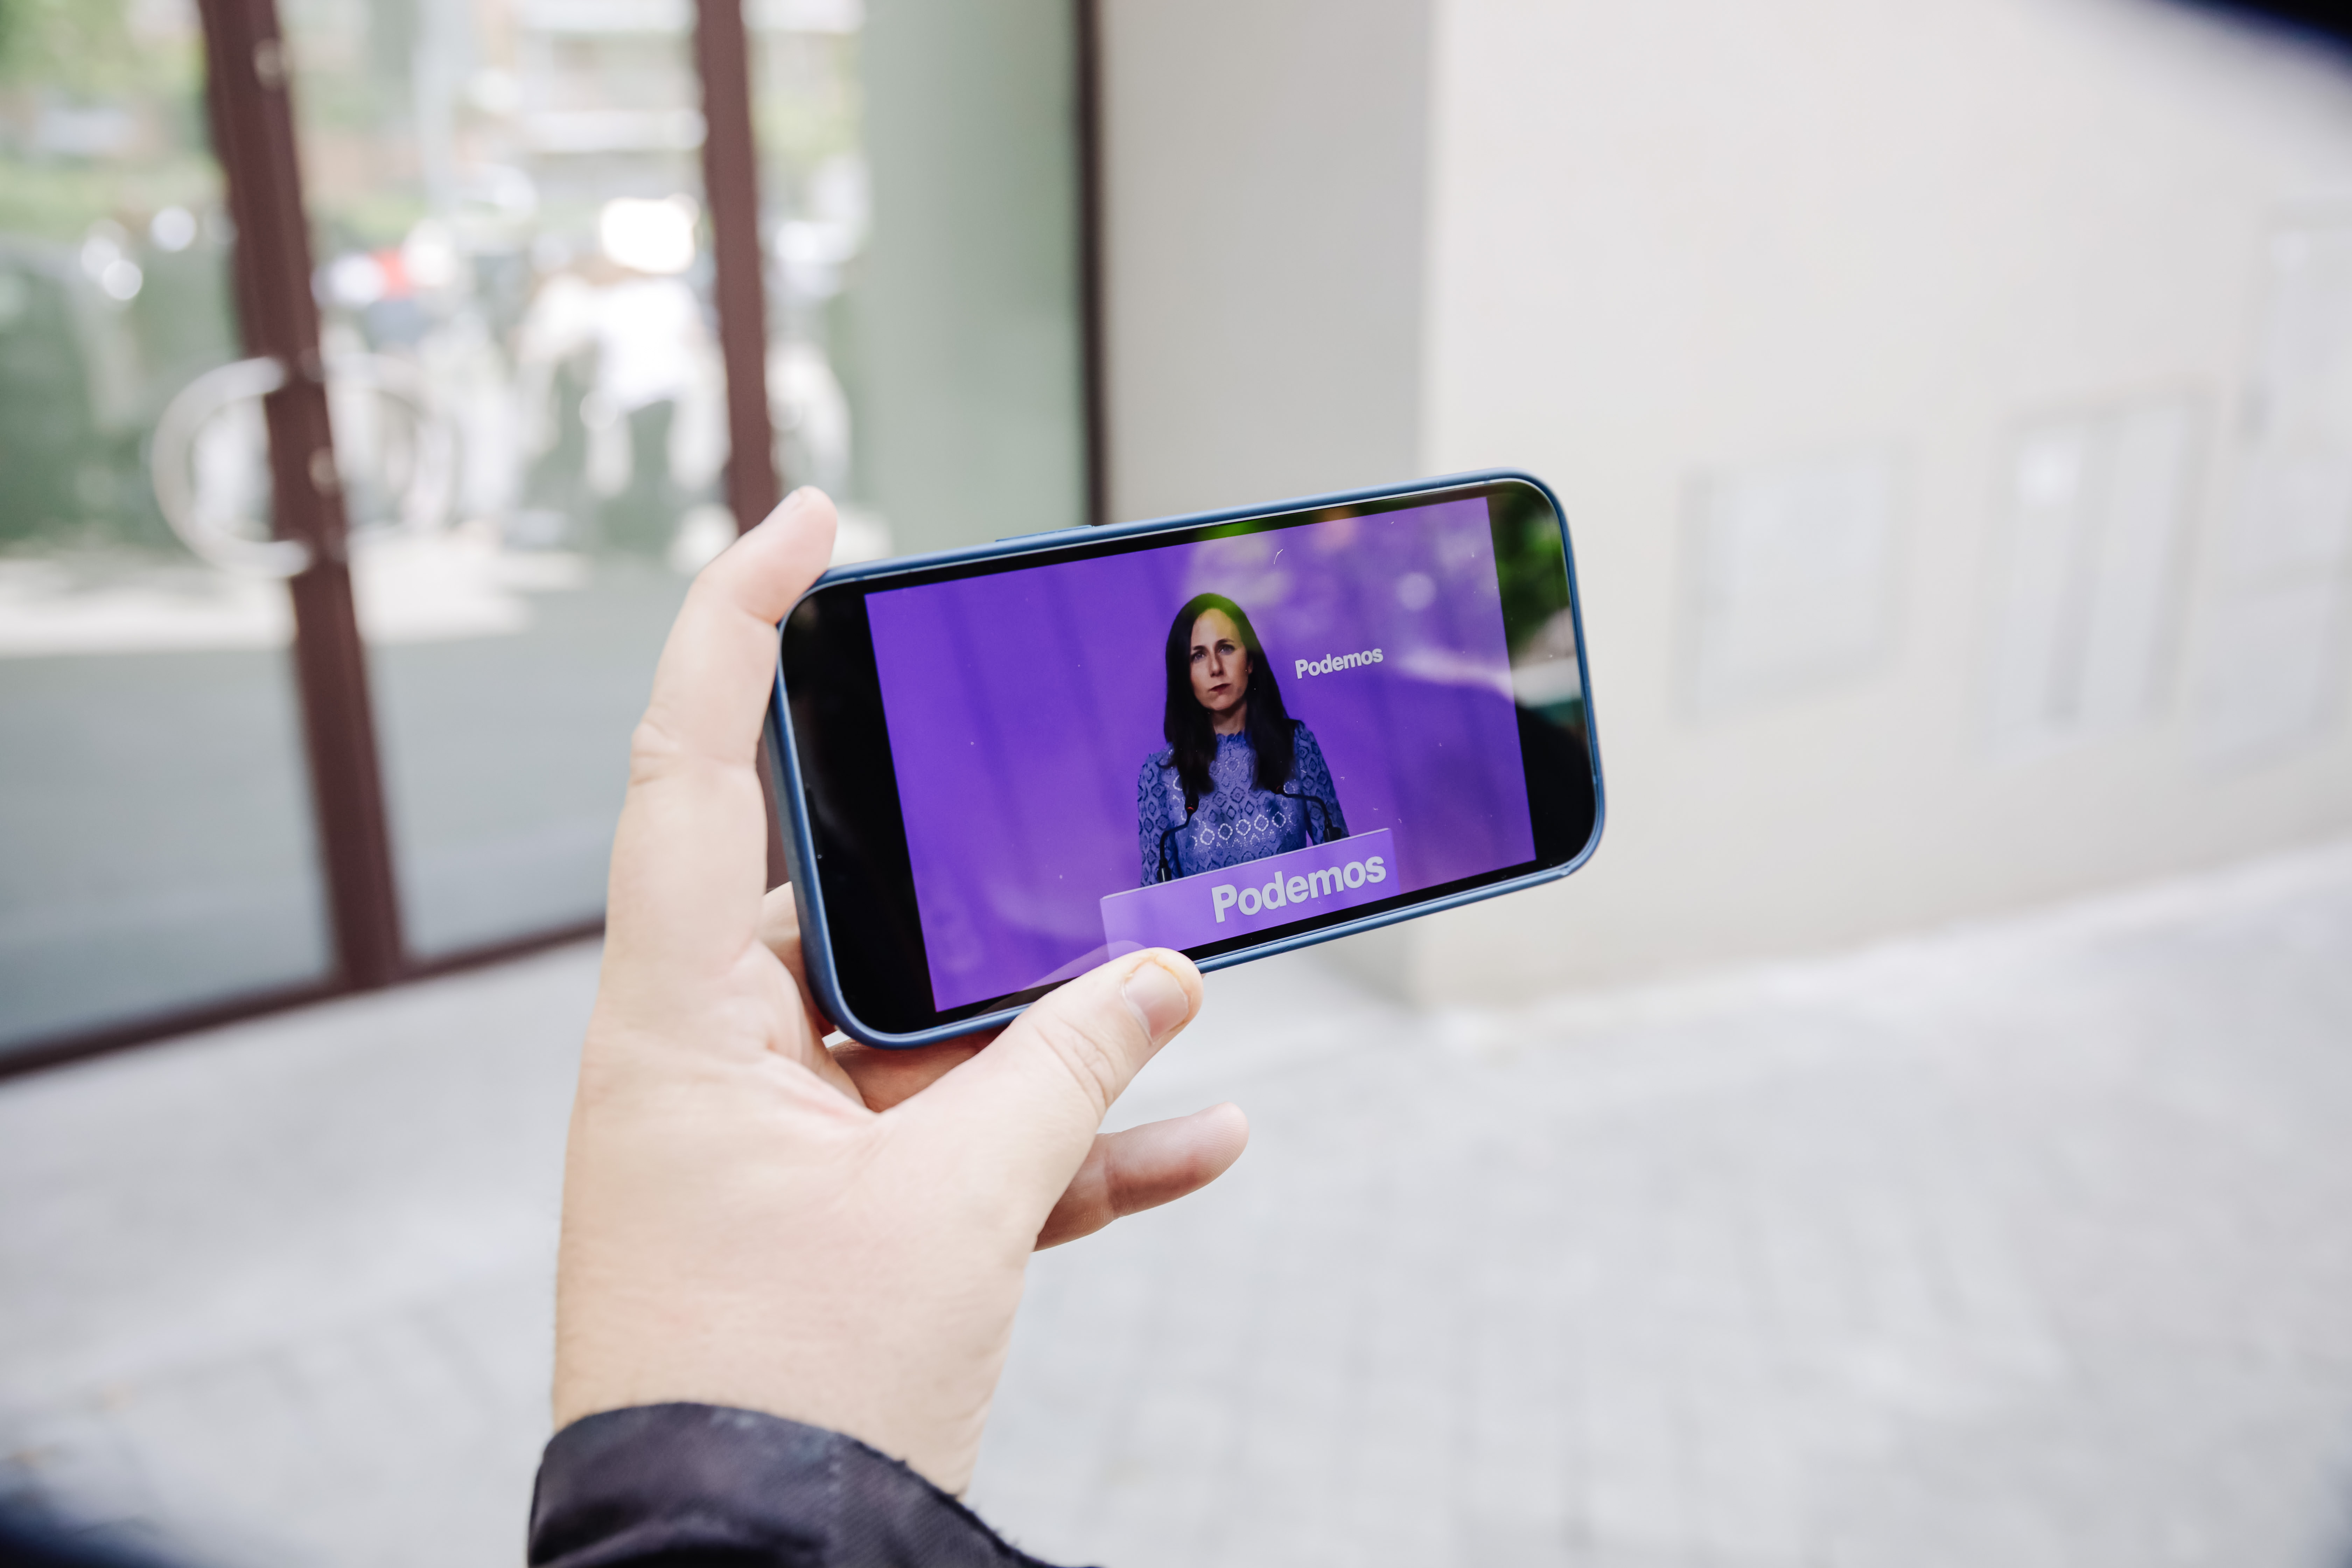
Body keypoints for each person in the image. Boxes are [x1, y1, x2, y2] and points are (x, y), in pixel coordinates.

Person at [529, 489, 1250, 1565]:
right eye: (1190, 654)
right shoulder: (1143, 793)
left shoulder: (1278, 763)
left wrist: (708, 1470)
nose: (1211, 670)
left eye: (1222, 651)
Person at [1135, 593, 1348, 887]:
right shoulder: (1160, 776)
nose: (1215, 668)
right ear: (1185, 676)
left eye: (1225, 649)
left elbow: (1345, 868)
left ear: (1249, 661)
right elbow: (1157, 902)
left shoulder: (1296, 745)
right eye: (1198, 656)